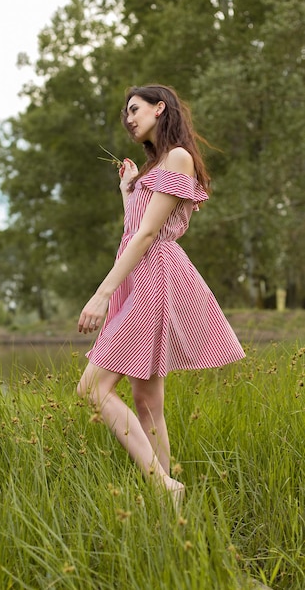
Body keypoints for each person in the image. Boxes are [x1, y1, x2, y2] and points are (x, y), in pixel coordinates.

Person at [77, 84, 245, 509]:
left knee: (92, 389)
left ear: (159, 108)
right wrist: (128, 192)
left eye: (135, 110)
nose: (129, 118)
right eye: (124, 114)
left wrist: (101, 294)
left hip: (155, 277)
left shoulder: (178, 158)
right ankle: (169, 504)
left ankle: (162, 485)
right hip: (142, 276)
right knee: (146, 400)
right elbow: (135, 229)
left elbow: (150, 234)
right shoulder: (154, 169)